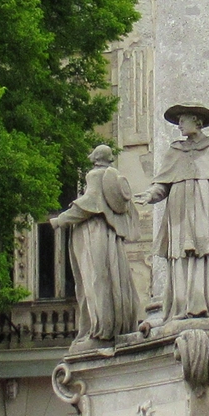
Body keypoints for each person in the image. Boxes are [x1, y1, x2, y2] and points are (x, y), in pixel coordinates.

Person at [146, 105, 209, 324]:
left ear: (197, 121)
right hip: (180, 211)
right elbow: (162, 185)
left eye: (183, 120)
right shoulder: (175, 150)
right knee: (182, 257)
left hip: (208, 209)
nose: (180, 124)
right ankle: (182, 306)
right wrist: (151, 195)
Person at [50, 144, 144, 343]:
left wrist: (61, 219)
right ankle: (116, 323)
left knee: (95, 279)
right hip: (109, 235)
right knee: (111, 278)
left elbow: (89, 203)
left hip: (94, 234)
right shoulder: (115, 179)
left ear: (95, 159)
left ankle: (101, 327)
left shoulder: (95, 176)